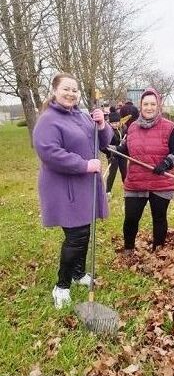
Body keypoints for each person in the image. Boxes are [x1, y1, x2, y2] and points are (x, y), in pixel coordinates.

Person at [32, 72, 112, 308]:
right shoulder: (48, 120)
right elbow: (49, 152)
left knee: (83, 233)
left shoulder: (81, 115)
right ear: (55, 91)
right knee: (76, 237)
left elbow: (104, 142)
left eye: (74, 90)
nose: (71, 93)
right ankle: (61, 285)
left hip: (84, 186)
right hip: (65, 188)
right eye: (66, 89)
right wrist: (84, 164)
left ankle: (78, 273)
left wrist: (102, 124)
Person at [113, 88, 174, 251]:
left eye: (153, 104)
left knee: (159, 218)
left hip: (160, 181)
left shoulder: (169, 127)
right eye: (146, 104)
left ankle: (158, 249)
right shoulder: (132, 128)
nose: (149, 107)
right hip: (136, 181)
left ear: (158, 106)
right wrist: (116, 149)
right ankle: (128, 250)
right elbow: (127, 148)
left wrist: (166, 163)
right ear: (141, 106)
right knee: (131, 218)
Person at [101, 111, 127, 197]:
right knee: (112, 173)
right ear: (110, 122)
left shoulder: (123, 128)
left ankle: (127, 190)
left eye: (116, 123)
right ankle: (108, 191)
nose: (115, 125)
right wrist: (110, 151)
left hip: (122, 154)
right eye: (113, 123)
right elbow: (104, 145)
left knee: (124, 172)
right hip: (112, 155)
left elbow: (127, 139)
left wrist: (124, 142)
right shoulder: (107, 130)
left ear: (119, 122)